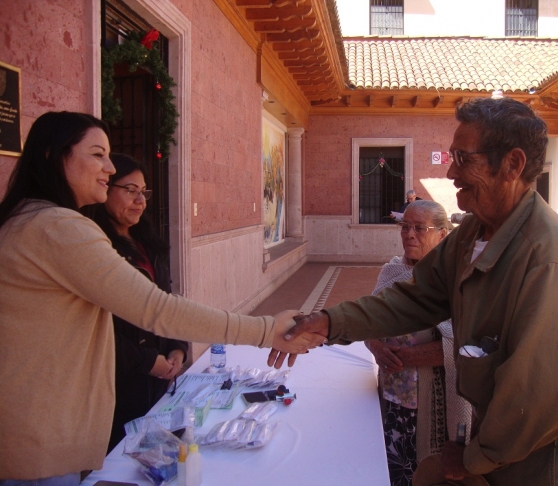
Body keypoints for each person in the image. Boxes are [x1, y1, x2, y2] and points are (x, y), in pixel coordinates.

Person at [283, 98, 558, 485]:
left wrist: (473, 459)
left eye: (463, 159)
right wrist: (330, 322)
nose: (451, 172)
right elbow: (415, 297)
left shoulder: (549, 257)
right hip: (500, 453)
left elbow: (536, 401)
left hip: (542, 464)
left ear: (513, 164)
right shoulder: (475, 232)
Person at [0, 111, 324, 483]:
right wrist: (266, 330)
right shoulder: (58, 226)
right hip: (39, 434)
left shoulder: (26, 219)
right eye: (96, 154)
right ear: (53, 156)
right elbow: (155, 309)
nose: (108, 167)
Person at [366, 200, 471, 486]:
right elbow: (367, 320)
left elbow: (464, 345)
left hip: (437, 401)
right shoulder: (391, 273)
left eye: (420, 228)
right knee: (395, 469)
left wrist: (407, 356)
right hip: (393, 399)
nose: (409, 234)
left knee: (431, 471)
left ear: (442, 234)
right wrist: (377, 347)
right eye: (405, 226)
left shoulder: (455, 280)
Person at [90, 153, 188, 452]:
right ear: (105, 187)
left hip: (159, 380)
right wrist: (148, 362)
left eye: (143, 192)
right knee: (123, 460)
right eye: (130, 190)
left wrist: (177, 347)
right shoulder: (96, 247)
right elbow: (95, 329)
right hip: (120, 386)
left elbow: (164, 304)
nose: (140, 200)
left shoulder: (147, 242)